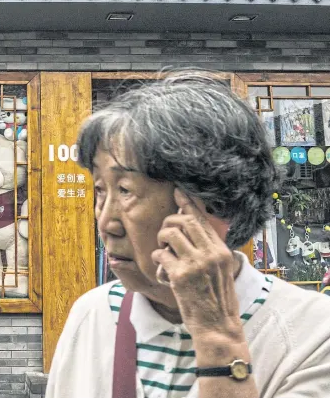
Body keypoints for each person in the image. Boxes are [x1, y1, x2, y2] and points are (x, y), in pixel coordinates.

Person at [46, 71, 330, 398]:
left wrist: (217, 339)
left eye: (125, 190)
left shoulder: (313, 334)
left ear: (209, 201)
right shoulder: (92, 314)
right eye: (99, 190)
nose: (107, 222)